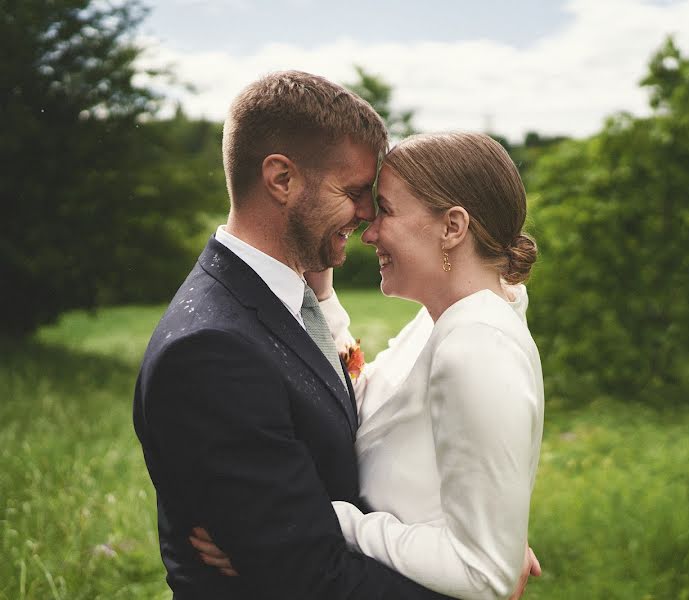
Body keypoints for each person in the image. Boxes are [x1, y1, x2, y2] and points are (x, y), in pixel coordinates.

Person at [133, 70, 453, 599]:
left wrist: (464, 548)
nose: (370, 214)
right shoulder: (212, 352)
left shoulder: (288, 302)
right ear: (281, 179)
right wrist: (474, 585)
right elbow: (309, 578)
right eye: (353, 191)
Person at [194, 132, 545, 600]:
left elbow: (485, 574)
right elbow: (368, 401)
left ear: (453, 227)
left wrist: (306, 522)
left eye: (387, 210)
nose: (370, 231)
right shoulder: (440, 322)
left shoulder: (476, 350)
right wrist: (321, 296)